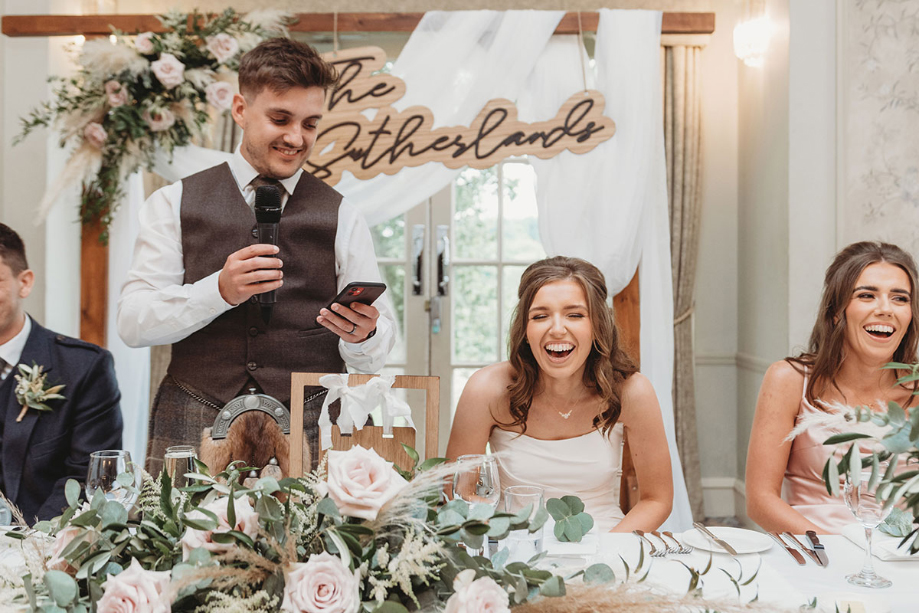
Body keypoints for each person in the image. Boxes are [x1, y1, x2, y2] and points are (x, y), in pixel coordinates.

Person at [117, 38, 395, 475]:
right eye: (280, 119)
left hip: (314, 420)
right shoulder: (172, 203)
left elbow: (374, 355)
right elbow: (133, 324)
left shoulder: (343, 213)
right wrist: (219, 291)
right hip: (195, 413)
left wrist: (363, 337)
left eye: (310, 124)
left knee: (319, 546)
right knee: (176, 545)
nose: (295, 137)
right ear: (241, 110)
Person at [445, 256, 673, 532]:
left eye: (575, 315)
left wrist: (607, 552)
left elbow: (656, 499)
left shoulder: (632, 391)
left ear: (598, 325)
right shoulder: (485, 389)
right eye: (540, 316)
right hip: (515, 547)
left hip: (610, 543)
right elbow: (457, 494)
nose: (556, 329)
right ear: (525, 330)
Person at [746, 241, 919, 534]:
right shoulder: (788, 380)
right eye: (867, 295)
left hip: (901, 562)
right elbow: (760, 501)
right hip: (818, 554)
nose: (886, 309)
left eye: (900, 299)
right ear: (836, 311)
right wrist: (843, 551)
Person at [0, 224, 122, 522]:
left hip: (39, 549)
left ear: (24, 282)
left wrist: (31, 549)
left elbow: (89, 481)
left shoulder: (84, 369)